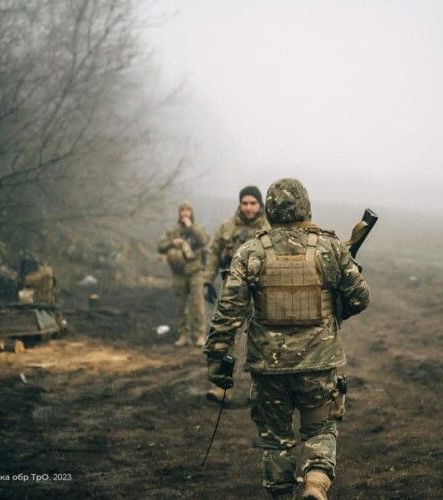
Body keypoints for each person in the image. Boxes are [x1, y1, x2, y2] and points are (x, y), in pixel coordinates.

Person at [204, 179, 370, 499]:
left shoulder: (251, 250)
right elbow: (360, 298)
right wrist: (334, 310)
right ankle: (316, 482)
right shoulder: (329, 247)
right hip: (318, 362)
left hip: (268, 366)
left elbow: (229, 310)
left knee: (275, 439)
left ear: (269, 209)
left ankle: (282, 494)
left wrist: (217, 356)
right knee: (320, 428)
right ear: (305, 206)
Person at [202, 185, 270, 403]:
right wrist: (207, 280)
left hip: (262, 291)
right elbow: (214, 253)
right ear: (240, 204)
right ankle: (223, 389)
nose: (249, 208)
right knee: (227, 338)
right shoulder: (227, 226)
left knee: (262, 340)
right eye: (245, 203)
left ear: (260, 205)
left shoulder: (269, 227)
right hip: (233, 289)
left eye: (253, 203)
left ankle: (259, 391)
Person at [157, 201, 209, 347]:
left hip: (196, 270)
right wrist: (172, 243)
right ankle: (183, 335)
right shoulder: (173, 230)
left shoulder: (197, 228)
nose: (185, 213)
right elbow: (160, 245)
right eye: (182, 210)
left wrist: (190, 227)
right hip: (178, 272)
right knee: (181, 305)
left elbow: (204, 240)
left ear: (192, 213)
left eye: (188, 210)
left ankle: (199, 335)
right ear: (179, 213)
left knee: (197, 304)